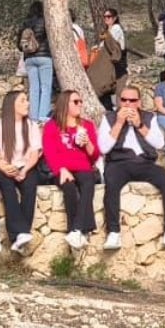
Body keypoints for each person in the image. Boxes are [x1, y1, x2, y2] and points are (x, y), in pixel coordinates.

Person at [96, 85, 165, 250]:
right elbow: (103, 148)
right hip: (118, 162)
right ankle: (113, 232)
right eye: (124, 100)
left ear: (139, 102)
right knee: (111, 183)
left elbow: (159, 143)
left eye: (132, 100)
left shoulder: (148, 117)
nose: (127, 104)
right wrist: (119, 123)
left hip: (144, 162)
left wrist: (140, 125)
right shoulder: (109, 118)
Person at [42, 89, 100, 250]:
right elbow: (49, 152)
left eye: (81, 101)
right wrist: (61, 169)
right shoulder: (52, 126)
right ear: (65, 104)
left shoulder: (87, 125)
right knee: (69, 188)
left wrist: (88, 143)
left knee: (88, 181)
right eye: (76, 101)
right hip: (61, 169)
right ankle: (79, 230)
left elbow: (94, 156)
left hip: (83, 167)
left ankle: (75, 230)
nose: (80, 104)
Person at [0, 89, 41, 255]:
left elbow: (34, 154)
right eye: (23, 100)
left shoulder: (31, 126)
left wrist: (25, 170)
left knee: (30, 186)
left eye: (27, 100)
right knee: (7, 186)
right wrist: (5, 168)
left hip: (24, 166)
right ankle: (19, 233)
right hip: (1, 166)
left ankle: (21, 235)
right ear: (12, 105)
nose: (27, 104)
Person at [18, 2, 53, 125]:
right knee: (45, 88)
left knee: (34, 89)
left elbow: (19, 45)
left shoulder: (25, 24)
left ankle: (32, 119)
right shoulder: (45, 21)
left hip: (29, 59)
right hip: (44, 58)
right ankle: (42, 118)